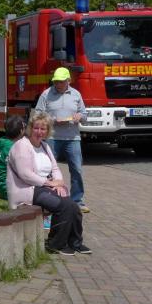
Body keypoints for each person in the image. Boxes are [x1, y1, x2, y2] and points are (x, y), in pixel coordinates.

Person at [7, 112, 88, 256]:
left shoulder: (45, 146)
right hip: (28, 189)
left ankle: (75, 242)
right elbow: (25, 175)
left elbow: (55, 168)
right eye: (36, 128)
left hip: (44, 187)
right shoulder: (22, 146)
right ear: (30, 128)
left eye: (43, 129)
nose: (39, 132)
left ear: (47, 131)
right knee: (64, 206)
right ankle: (55, 244)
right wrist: (49, 183)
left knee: (74, 206)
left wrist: (59, 184)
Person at [34, 67, 89, 213]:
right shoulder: (46, 94)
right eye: (56, 81)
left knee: (76, 169)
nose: (58, 84)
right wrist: (52, 120)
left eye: (61, 81)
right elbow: (37, 114)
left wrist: (80, 116)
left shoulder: (76, 94)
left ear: (68, 81)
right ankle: (48, 199)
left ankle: (77, 201)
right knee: (47, 169)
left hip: (73, 138)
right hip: (52, 137)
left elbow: (84, 115)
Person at [0, 115, 26, 200]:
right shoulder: (16, 147)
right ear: (21, 131)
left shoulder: (2, 141)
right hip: (11, 189)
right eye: (24, 127)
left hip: (1, 186)